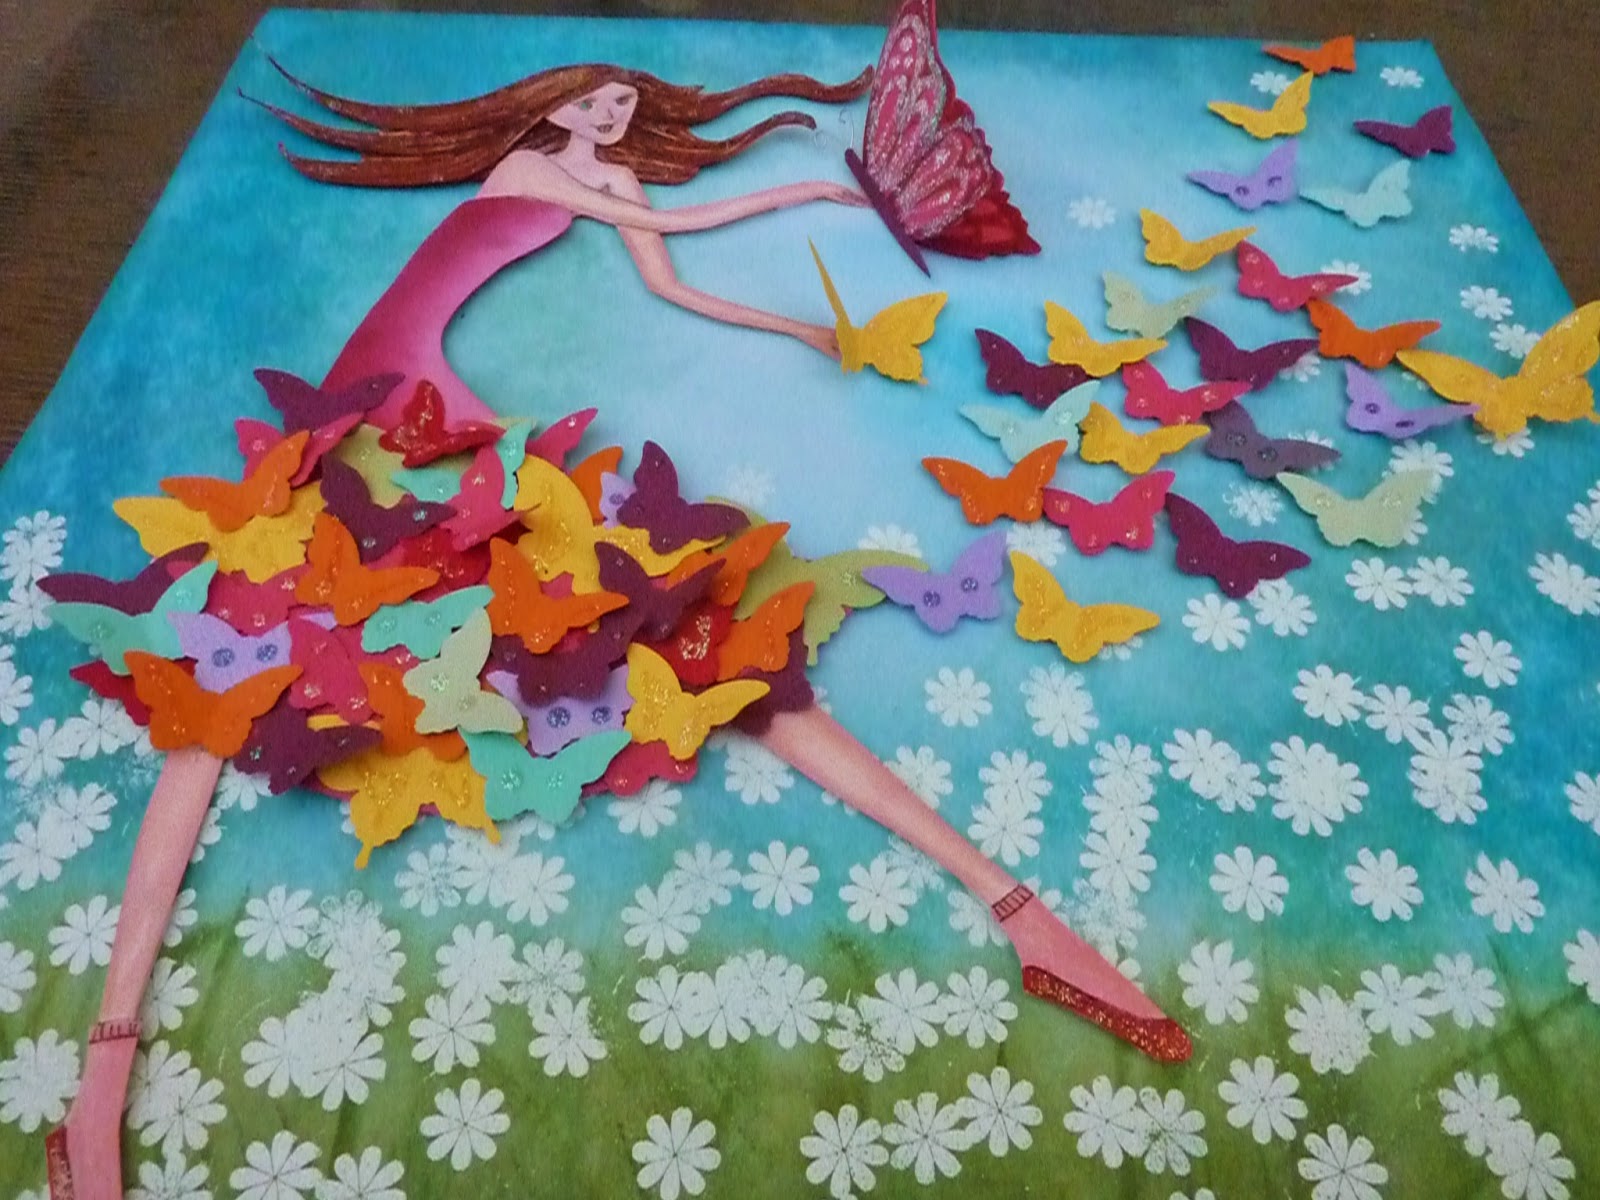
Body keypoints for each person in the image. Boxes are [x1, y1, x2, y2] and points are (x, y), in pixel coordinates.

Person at [48, 56, 1186, 1200]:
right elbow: (687, 218)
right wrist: (805, 191)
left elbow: (675, 283)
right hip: (378, 403)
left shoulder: (607, 176)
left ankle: (1018, 913)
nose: (608, 116)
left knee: (689, 637)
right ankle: (105, 1066)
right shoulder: (530, 164)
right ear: (546, 102)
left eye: (624, 105)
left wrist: (791, 326)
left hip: (441, 405)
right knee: (230, 667)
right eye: (592, 99)